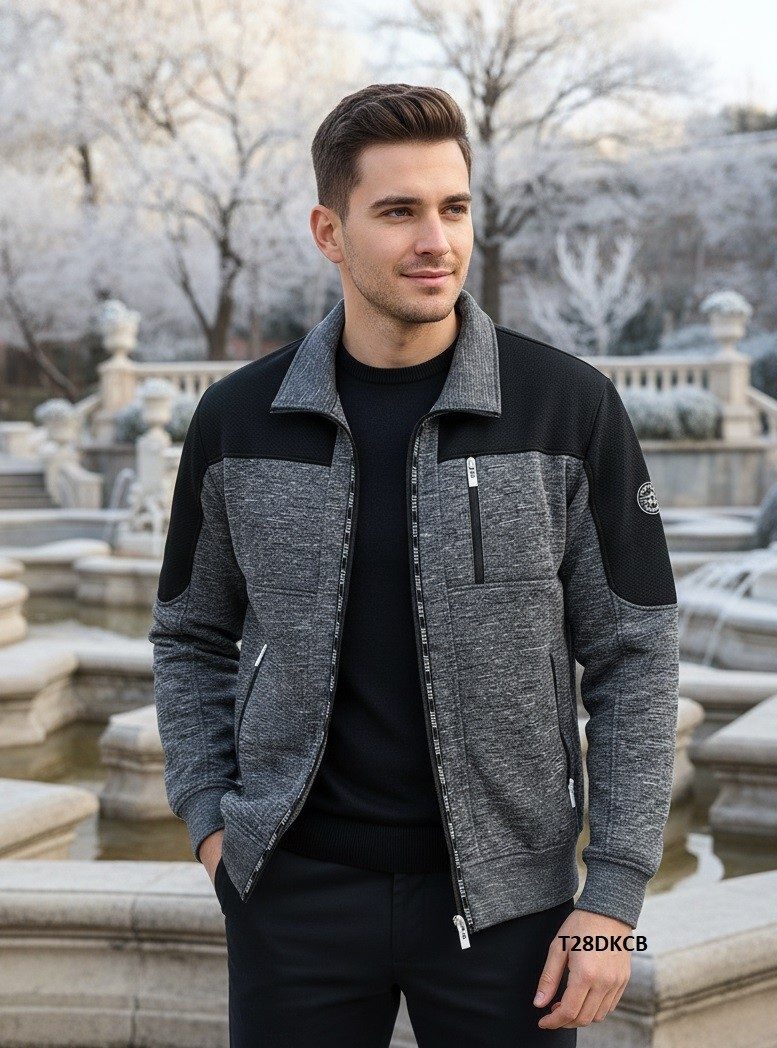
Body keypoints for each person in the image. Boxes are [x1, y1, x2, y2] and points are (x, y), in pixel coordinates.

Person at [148, 82, 680, 1047]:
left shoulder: (568, 407)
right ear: (329, 230)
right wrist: (212, 825)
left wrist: (613, 898)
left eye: (454, 207)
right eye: (398, 211)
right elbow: (189, 634)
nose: (436, 240)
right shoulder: (237, 419)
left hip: (514, 907)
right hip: (293, 895)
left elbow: (634, 653)